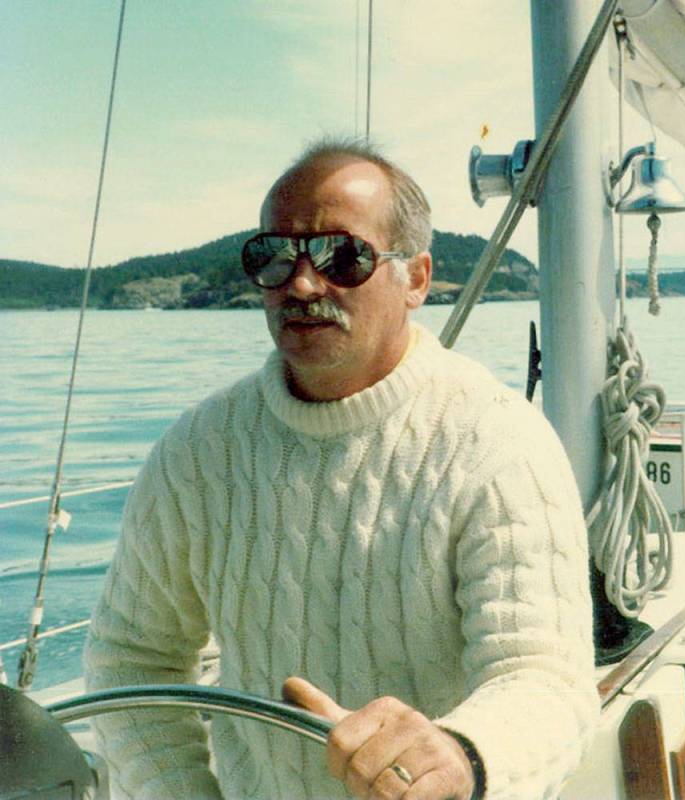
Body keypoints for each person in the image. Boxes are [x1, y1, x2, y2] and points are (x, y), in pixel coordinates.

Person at [84, 137, 598, 799]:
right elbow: (133, 659)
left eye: (343, 256)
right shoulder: (199, 452)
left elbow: (547, 681)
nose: (301, 283)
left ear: (415, 278)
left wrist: (460, 759)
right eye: (273, 257)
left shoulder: (496, 442)